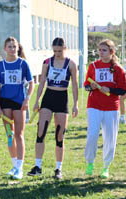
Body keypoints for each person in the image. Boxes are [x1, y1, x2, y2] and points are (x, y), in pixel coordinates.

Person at [27, 37, 78, 179]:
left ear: (65, 49)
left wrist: (76, 104)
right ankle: (37, 166)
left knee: (59, 135)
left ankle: (58, 169)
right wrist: (37, 101)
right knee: (41, 131)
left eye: (60, 51)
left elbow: (74, 85)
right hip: (48, 97)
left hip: (62, 98)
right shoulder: (47, 62)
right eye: (55, 51)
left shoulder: (71, 64)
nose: (57, 53)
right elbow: (42, 81)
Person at [84, 39, 126, 178]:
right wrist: (92, 86)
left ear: (111, 52)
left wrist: (111, 89)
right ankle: (90, 162)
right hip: (94, 105)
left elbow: (122, 90)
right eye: (99, 50)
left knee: (110, 138)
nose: (100, 53)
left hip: (111, 108)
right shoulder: (93, 66)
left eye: (104, 50)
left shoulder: (119, 69)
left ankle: (106, 167)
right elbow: (86, 85)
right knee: (92, 135)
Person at [0, 37, 34, 179]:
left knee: (19, 134)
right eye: (9, 46)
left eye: (14, 46)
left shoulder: (23, 64)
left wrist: (27, 100)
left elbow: (31, 83)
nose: (12, 49)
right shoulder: (0, 66)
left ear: (18, 48)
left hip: (19, 102)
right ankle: (13, 165)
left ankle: (20, 168)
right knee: (9, 136)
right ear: (5, 49)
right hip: (5, 103)